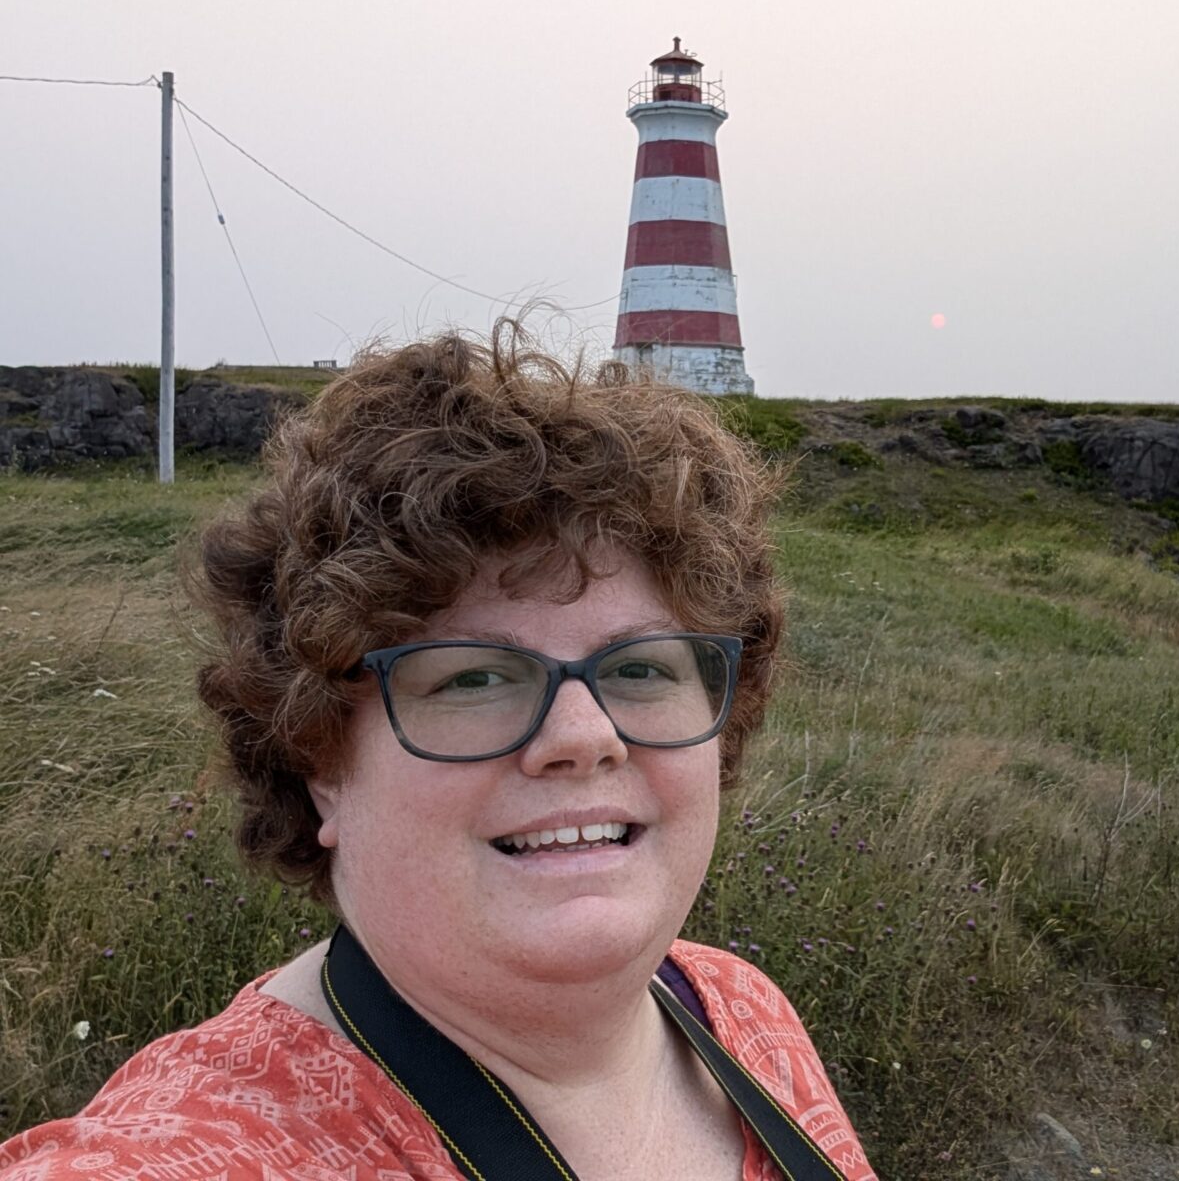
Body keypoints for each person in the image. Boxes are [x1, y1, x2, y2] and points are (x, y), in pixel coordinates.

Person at [0, 326, 877, 1181]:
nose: (583, 736)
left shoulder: (740, 1012)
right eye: (472, 680)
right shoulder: (200, 1153)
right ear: (321, 762)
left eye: (642, 666)